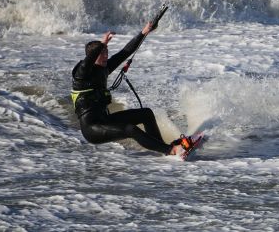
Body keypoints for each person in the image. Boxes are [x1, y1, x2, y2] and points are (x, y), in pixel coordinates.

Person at [71, 22, 191, 156]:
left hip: (105, 120)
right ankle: (171, 150)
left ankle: (163, 148)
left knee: (146, 114)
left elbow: (125, 52)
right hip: (92, 129)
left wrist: (143, 32)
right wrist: (103, 43)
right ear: (92, 56)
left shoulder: (104, 68)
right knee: (130, 129)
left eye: (106, 53)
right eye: (102, 54)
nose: (106, 56)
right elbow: (89, 60)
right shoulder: (80, 74)